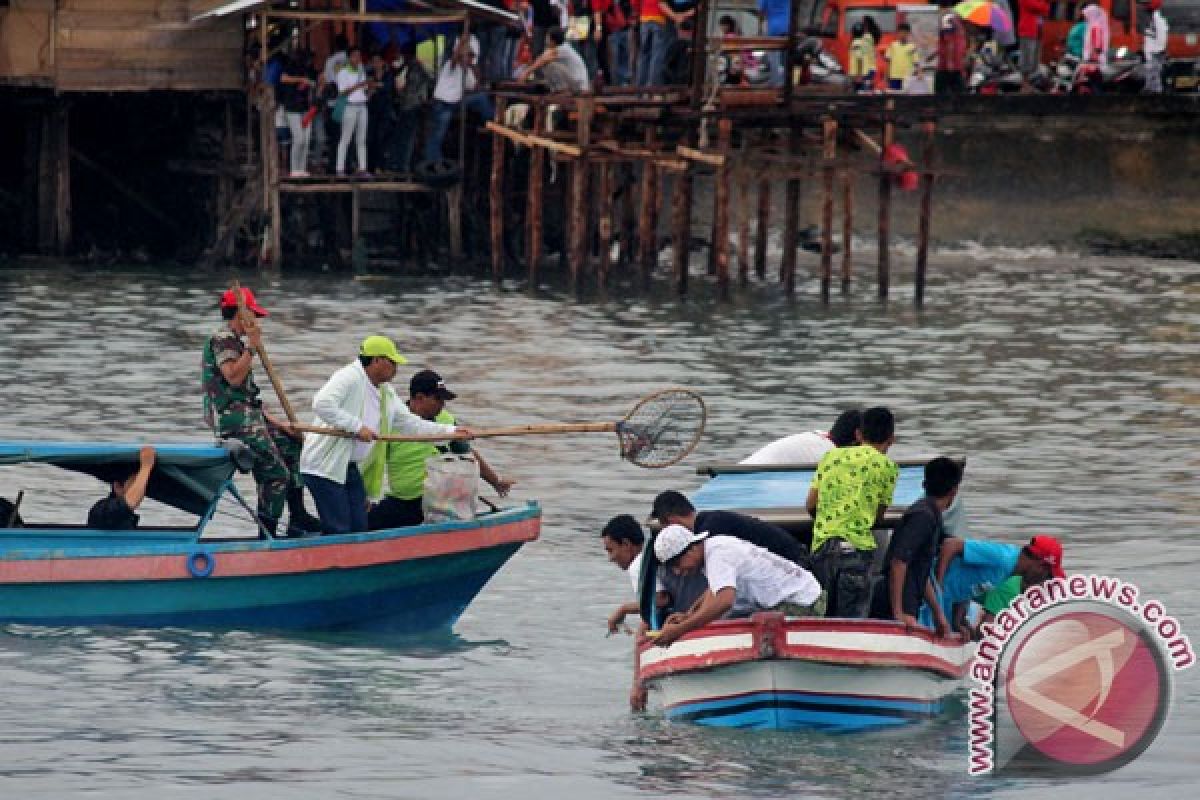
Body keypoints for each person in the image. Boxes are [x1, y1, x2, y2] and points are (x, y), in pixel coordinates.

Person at [298, 336, 471, 535]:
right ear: (377, 360)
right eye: (393, 362)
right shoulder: (349, 376)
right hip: (324, 466)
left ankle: (356, 562)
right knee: (339, 529)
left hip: (348, 466)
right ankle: (330, 563)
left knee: (360, 528)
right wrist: (356, 427)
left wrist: (451, 432)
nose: (396, 368)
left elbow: (410, 424)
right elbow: (321, 403)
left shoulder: (386, 392)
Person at [202, 287, 319, 537]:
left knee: (292, 445)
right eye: (252, 315)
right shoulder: (223, 338)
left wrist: (280, 424)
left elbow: (249, 400)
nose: (256, 321)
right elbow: (232, 378)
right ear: (241, 314)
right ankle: (267, 533)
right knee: (275, 474)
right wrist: (252, 348)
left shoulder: (235, 340)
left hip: (250, 416)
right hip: (233, 421)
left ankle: (298, 517)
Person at [367, 369, 513, 530]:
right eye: (438, 399)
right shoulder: (391, 422)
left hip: (441, 501)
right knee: (363, 524)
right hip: (405, 502)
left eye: (444, 400)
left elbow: (468, 455)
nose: (442, 405)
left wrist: (496, 482)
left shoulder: (446, 420)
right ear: (419, 398)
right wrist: (365, 497)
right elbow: (371, 462)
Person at [650, 525, 825, 647]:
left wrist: (680, 630)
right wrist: (688, 616)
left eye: (677, 564)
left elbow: (724, 601)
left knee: (737, 630)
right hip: (803, 594)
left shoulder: (718, 555)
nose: (678, 572)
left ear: (691, 549)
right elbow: (715, 590)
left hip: (804, 603)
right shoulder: (715, 545)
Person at [649, 489, 810, 616]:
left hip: (793, 572)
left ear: (671, 521)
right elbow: (716, 586)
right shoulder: (709, 521)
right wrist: (691, 614)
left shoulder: (712, 535)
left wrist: (686, 625)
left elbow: (722, 596)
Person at [805, 406, 898, 618]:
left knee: (820, 616)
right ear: (891, 439)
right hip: (857, 552)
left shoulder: (831, 457)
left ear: (858, 434)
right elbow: (877, 517)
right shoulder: (888, 467)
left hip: (822, 548)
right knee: (851, 623)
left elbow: (811, 505)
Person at [868, 457, 961, 636]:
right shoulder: (923, 517)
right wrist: (898, 612)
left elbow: (919, 568)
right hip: (894, 603)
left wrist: (938, 613)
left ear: (924, 484)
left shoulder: (930, 515)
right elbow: (898, 562)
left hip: (908, 602)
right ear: (954, 491)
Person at [932, 534, 1066, 635]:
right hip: (929, 595)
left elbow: (970, 583)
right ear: (1039, 564)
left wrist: (957, 621)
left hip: (946, 601)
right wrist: (938, 586)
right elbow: (951, 545)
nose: (1043, 579)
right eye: (1047, 574)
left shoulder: (1009, 573)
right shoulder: (1002, 557)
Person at [424, 35, 495, 165]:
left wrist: (476, 70)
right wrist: (462, 43)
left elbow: (475, 87)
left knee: (481, 98)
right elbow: (455, 57)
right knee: (438, 134)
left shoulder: (467, 71)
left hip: (455, 103)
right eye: (469, 56)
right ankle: (432, 163)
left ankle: (491, 122)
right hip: (443, 103)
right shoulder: (451, 65)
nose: (471, 59)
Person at [740, 409, 862, 466]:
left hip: (740, 468)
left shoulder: (819, 436)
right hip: (750, 476)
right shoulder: (828, 455)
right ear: (858, 435)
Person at [388, 41, 434, 174]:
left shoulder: (417, 67)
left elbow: (427, 82)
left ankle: (404, 166)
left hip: (413, 106)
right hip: (408, 105)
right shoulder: (410, 66)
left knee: (407, 137)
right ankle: (401, 165)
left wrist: (423, 98)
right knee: (403, 136)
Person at [88, 445, 156, 530]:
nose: (141, 490)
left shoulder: (127, 516)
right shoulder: (103, 509)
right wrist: (146, 467)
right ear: (117, 486)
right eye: (135, 484)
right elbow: (128, 503)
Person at [601, 514, 648, 633]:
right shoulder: (650, 556)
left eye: (611, 550)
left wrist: (624, 609)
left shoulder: (638, 565)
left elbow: (660, 600)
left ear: (626, 544)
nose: (610, 558)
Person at [335, 46, 373, 178]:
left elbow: (365, 91)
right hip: (349, 106)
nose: (358, 58)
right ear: (349, 57)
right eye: (355, 56)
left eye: (359, 55)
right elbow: (342, 92)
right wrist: (359, 86)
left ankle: (363, 168)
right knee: (345, 138)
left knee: (361, 139)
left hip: (362, 106)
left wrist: (371, 89)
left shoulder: (361, 71)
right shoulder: (343, 72)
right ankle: (339, 169)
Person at [280, 51, 316, 178]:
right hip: (292, 108)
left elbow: (313, 84)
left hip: (305, 108)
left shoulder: (310, 70)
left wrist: (310, 83)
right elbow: (283, 78)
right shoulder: (290, 67)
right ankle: (294, 169)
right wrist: (301, 79)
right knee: (299, 139)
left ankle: (302, 169)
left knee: (306, 141)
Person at [523, 26, 591, 91]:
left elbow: (543, 60)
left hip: (579, 84)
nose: (546, 40)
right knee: (546, 65)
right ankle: (557, 89)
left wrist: (526, 72)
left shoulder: (563, 48)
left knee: (549, 65)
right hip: (575, 81)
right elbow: (541, 57)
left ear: (553, 40)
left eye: (547, 38)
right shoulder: (555, 47)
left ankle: (562, 90)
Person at [634, 0, 672, 87]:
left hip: (644, 20)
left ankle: (639, 89)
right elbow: (662, 3)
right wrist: (675, 16)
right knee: (657, 55)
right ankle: (652, 87)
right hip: (658, 19)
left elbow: (635, 2)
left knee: (643, 55)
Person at [758, 0, 791, 87]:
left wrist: (760, 27)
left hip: (774, 28)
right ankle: (785, 81)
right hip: (788, 26)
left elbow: (761, 10)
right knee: (786, 57)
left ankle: (775, 81)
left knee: (774, 57)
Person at [935, 12, 968, 95]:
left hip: (953, 69)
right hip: (950, 69)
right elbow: (949, 45)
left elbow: (956, 48)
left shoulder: (961, 29)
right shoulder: (954, 23)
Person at [1017, 0, 1051, 76]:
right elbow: (1035, 6)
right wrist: (1044, 3)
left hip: (1038, 30)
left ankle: (1033, 79)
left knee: (1036, 57)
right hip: (1028, 30)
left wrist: (1043, 5)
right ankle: (1025, 83)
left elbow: (1046, 10)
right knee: (1027, 58)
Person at [1141, 0, 1168, 94]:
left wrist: (1157, 51)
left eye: (1146, 4)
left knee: (1154, 75)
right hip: (1151, 54)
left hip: (1155, 54)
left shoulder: (1158, 20)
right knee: (1151, 73)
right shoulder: (1152, 19)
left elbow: (1161, 38)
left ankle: (1154, 93)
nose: (1144, 7)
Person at [883, 23, 919, 92]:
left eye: (905, 33)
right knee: (892, 97)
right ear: (897, 33)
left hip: (907, 77)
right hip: (894, 77)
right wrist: (886, 76)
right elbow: (888, 61)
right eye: (901, 33)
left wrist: (920, 73)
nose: (903, 35)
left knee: (906, 98)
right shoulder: (893, 46)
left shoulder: (912, 47)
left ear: (909, 34)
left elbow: (916, 62)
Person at [848, 22, 877, 93]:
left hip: (862, 73)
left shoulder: (856, 43)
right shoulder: (867, 42)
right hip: (870, 71)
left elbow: (860, 59)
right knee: (866, 93)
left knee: (861, 94)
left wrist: (859, 76)